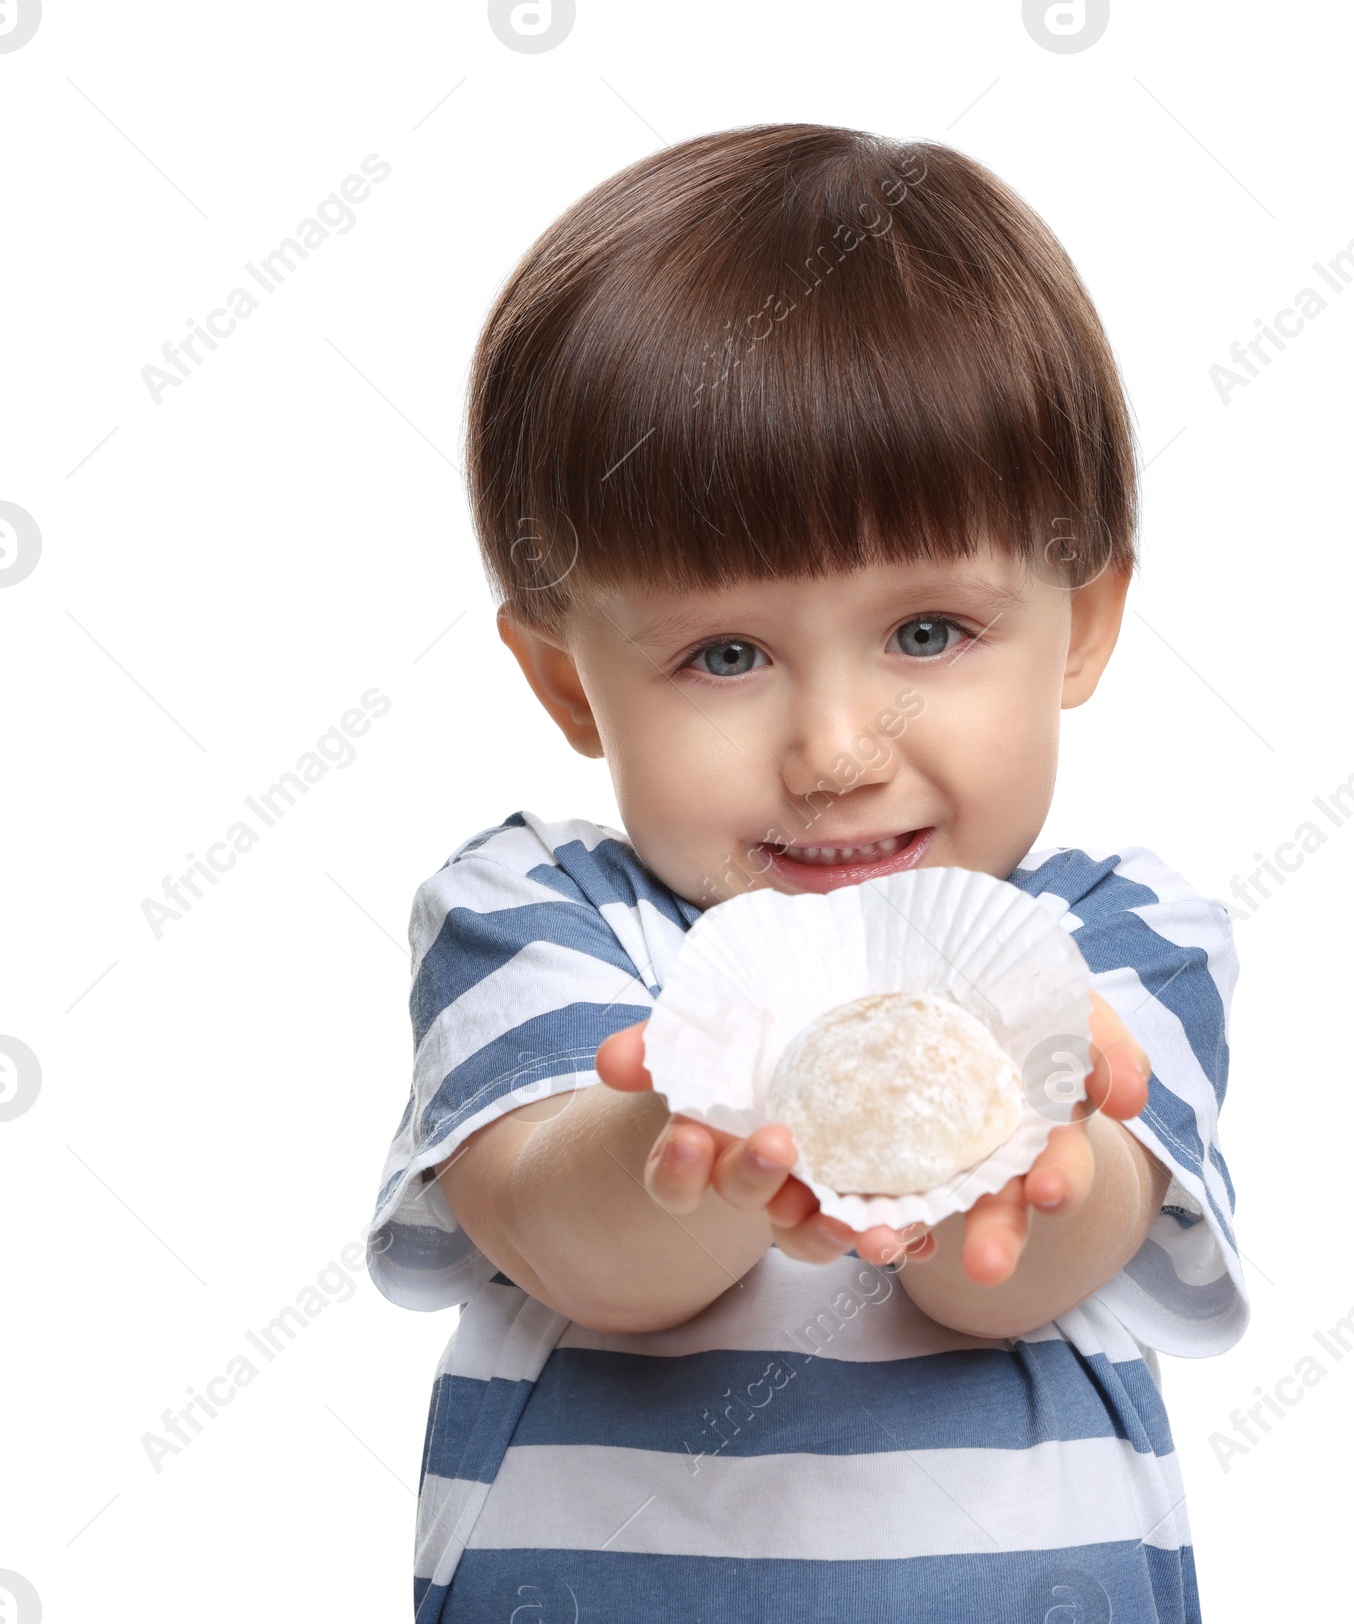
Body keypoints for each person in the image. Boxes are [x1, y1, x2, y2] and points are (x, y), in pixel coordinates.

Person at [366, 121, 1247, 1622]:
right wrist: (709, 1122)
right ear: (572, 683)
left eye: (926, 634)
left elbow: (1009, 1276)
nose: (837, 749)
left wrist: (1030, 1153)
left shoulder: (1115, 942)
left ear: (1083, 622)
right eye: (725, 654)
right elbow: (575, 1244)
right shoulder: (541, 923)